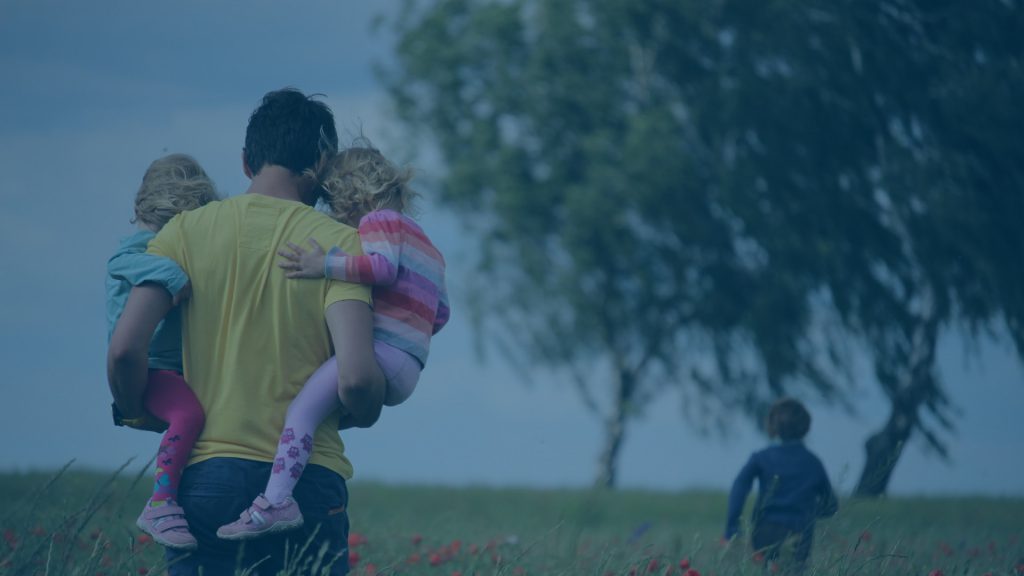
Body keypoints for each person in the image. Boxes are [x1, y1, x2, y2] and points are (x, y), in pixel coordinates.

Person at [107, 88, 386, 576]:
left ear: (245, 161)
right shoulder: (342, 247)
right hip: (308, 482)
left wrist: (135, 409)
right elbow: (358, 379)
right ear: (322, 164)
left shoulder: (181, 234)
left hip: (205, 477)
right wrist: (365, 411)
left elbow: (125, 351)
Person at [217, 143, 450, 540]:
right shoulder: (429, 246)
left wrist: (322, 264)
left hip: (381, 354)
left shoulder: (379, 220)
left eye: (335, 205)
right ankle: (288, 481)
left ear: (351, 196)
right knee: (323, 411)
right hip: (409, 366)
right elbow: (441, 314)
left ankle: (276, 501)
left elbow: (381, 268)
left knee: (301, 412)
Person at [106, 154, 217, 550]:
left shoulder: (160, 245)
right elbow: (121, 262)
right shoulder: (140, 249)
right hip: (152, 367)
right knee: (189, 415)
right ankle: (160, 501)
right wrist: (172, 274)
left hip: (171, 367)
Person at [723, 398, 838, 572]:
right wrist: (809, 512)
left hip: (765, 530)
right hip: (800, 532)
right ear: (805, 427)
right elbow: (831, 506)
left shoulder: (761, 457)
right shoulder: (813, 463)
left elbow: (739, 487)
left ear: (773, 426)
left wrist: (732, 527)